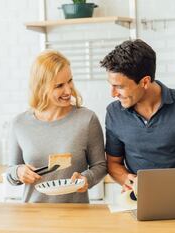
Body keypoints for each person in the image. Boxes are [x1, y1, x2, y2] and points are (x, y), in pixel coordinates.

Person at [100, 39, 175, 191]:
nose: (113, 93)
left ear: (145, 82)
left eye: (120, 87)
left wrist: (174, 185)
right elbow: (113, 163)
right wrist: (126, 179)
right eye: (111, 85)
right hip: (139, 199)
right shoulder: (114, 113)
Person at [6, 50, 107, 203]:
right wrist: (18, 172)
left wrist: (86, 178)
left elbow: (100, 166)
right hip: (33, 216)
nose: (68, 90)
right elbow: (10, 171)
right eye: (59, 85)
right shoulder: (19, 124)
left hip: (75, 217)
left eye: (70, 81)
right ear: (41, 87)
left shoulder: (87, 119)